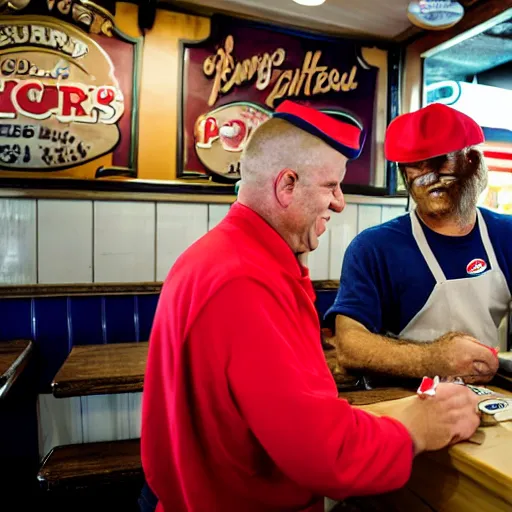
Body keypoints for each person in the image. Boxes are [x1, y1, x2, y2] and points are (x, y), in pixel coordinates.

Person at [141, 100, 482, 512]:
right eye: (331, 186)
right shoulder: (245, 281)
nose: (340, 203)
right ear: (286, 186)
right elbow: (326, 455)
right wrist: (420, 428)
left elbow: (283, 411)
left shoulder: (224, 256)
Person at [326, 103, 510, 385]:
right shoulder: (374, 248)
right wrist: (433, 360)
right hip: (399, 400)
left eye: (442, 160)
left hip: (487, 394)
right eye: (417, 165)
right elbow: (349, 346)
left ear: (472, 162)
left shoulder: (505, 235)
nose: (431, 176)